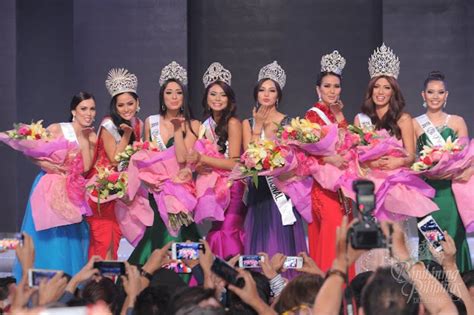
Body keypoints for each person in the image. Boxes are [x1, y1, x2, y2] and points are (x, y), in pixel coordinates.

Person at [13, 92, 96, 279]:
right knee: (49, 236)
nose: (88, 113)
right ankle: (40, 279)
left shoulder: (91, 135)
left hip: (71, 190)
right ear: (74, 111)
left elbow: (87, 167)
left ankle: (66, 282)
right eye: (84, 109)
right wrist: (45, 164)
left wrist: (84, 138)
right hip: (48, 186)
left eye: (92, 109)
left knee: (68, 239)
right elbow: (31, 151)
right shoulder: (58, 128)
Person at [128, 61, 201, 266]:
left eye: (178, 92)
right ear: (162, 96)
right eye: (169, 92)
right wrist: (148, 180)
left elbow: (182, 158)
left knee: (182, 236)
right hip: (158, 190)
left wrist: (178, 129)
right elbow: (148, 159)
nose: (174, 97)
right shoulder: (151, 122)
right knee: (157, 236)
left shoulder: (193, 124)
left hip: (180, 192)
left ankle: (184, 282)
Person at [242, 61, 307, 266]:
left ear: (278, 95)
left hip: (283, 193)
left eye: (272, 90)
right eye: (262, 90)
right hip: (260, 190)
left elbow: (297, 161)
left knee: (282, 241)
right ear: (256, 94)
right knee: (261, 241)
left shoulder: (289, 124)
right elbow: (249, 160)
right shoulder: (248, 123)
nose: (266, 94)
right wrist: (258, 126)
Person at [413, 71, 472, 272]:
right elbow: (410, 161)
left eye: (440, 92)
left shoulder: (457, 122)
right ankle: (434, 297)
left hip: (452, 196)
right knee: (431, 246)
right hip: (427, 197)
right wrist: (424, 170)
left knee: (453, 241)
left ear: (446, 95)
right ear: (423, 95)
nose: (435, 96)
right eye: (431, 92)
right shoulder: (414, 124)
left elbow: (466, 158)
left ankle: (462, 297)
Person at [186, 62, 246, 258]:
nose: (217, 99)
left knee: (228, 231)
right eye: (213, 94)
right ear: (206, 97)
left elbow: (235, 163)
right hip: (213, 187)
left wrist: (203, 158)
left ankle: (235, 279)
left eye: (222, 94)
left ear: (229, 99)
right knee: (217, 229)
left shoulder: (233, 123)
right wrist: (198, 164)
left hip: (232, 186)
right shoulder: (204, 125)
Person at [304, 50, 353, 277]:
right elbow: (303, 155)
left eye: (336, 86)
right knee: (331, 243)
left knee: (342, 240)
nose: (332, 91)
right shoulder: (312, 116)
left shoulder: (336, 114)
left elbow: (350, 144)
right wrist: (329, 158)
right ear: (318, 89)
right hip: (324, 189)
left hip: (342, 189)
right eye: (327, 86)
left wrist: (340, 116)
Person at [86, 68, 142, 260]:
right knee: (104, 240)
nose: (126, 109)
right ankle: (97, 286)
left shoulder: (138, 124)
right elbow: (115, 159)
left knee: (114, 241)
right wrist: (126, 134)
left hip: (121, 191)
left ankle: (108, 283)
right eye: (121, 105)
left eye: (130, 103)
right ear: (114, 107)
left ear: (137, 103)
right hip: (103, 190)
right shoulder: (109, 124)